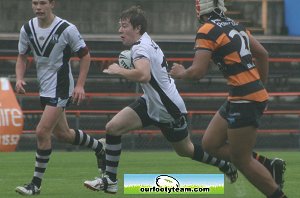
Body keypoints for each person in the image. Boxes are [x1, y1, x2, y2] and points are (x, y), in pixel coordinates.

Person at [83, 6, 238, 194]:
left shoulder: (141, 47)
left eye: (124, 26)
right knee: (112, 128)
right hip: (151, 102)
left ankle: (224, 164)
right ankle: (110, 181)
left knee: (185, 150)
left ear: (137, 28)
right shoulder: (144, 43)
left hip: (168, 109)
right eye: (120, 26)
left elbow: (143, 75)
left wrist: (119, 70)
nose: (120, 30)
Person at [170, 0, 287, 197]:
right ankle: (268, 165)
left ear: (200, 8)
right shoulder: (235, 24)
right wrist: (259, 86)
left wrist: (182, 72)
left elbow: (198, 72)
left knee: (241, 160)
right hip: (242, 95)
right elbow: (263, 54)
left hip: (244, 97)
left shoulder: (207, 30)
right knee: (211, 143)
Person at [15, 0, 105, 195]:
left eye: (43, 3)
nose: (38, 7)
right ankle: (99, 147)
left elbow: (85, 55)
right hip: (45, 88)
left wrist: (80, 85)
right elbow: (22, 56)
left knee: (42, 131)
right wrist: (20, 78)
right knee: (63, 134)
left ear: (52, 4)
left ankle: (35, 185)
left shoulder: (67, 29)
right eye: (35, 3)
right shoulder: (27, 28)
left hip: (61, 87)